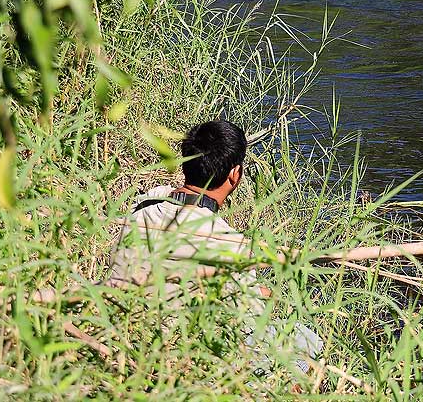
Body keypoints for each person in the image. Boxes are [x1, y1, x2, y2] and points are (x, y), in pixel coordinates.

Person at [109, 119, 323, 376]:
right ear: (235, 174)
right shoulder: (228, 241)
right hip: (185, 354)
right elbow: (247, 323)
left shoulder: (143, 208)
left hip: (130, 337)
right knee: (308, 340)